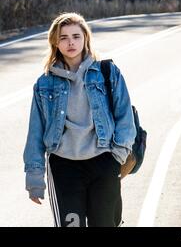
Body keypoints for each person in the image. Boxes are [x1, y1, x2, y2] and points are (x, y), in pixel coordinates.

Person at [23, 13, 136, 227]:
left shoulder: (107, 73)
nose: (70, 42)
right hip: (64, 167)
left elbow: (124, 116)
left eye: (76, 36)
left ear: (86, 38)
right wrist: (34, 178)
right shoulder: (44, 83)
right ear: (55, 42)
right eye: (63, 37)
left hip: (103, 161)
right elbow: (35, 132)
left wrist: (117, 156)